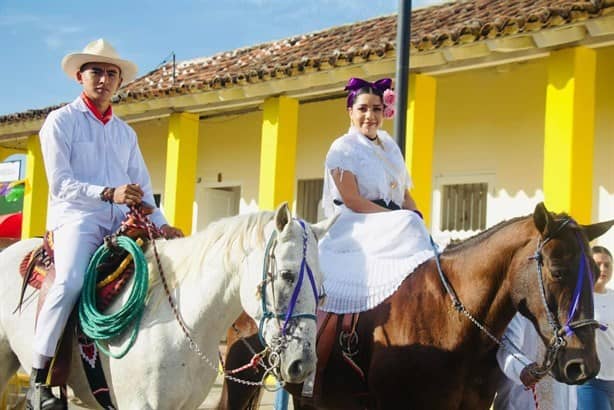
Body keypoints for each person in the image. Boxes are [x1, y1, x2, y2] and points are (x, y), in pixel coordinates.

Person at [28, 38, 183, 409]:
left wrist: (163, 225)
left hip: (118, 223)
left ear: (118, 82)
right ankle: (37, 379)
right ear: (80, 76)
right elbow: (62, 184)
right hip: (76, 219)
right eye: (96, 71)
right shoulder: (59, 122)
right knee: (69, 283)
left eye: (111, 73)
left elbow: (143, 192)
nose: (104, 79)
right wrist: (108, 193)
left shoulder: (125, 133)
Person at [318, 77, 434, 314]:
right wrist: (397, 217)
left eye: (376, 109)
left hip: (390, 217)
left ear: (384, 112)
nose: (370, 115)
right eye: (362, 108)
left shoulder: (389, 146)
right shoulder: (342, 148)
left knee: (420, 229)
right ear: (350, 111)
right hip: (354, 220)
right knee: (407, 222)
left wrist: (416, 215)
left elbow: (402, 193)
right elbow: (352, 200)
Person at [493, 313, 576, 410]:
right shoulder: (519, 311)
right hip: (519, 403)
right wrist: (522, 368)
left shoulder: (568, 311)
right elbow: (507, 347)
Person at [577, 245, 614, 409]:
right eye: (598, 264)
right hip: (591, 381)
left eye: (607, 265)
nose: (603, 269)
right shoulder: (577, 300)